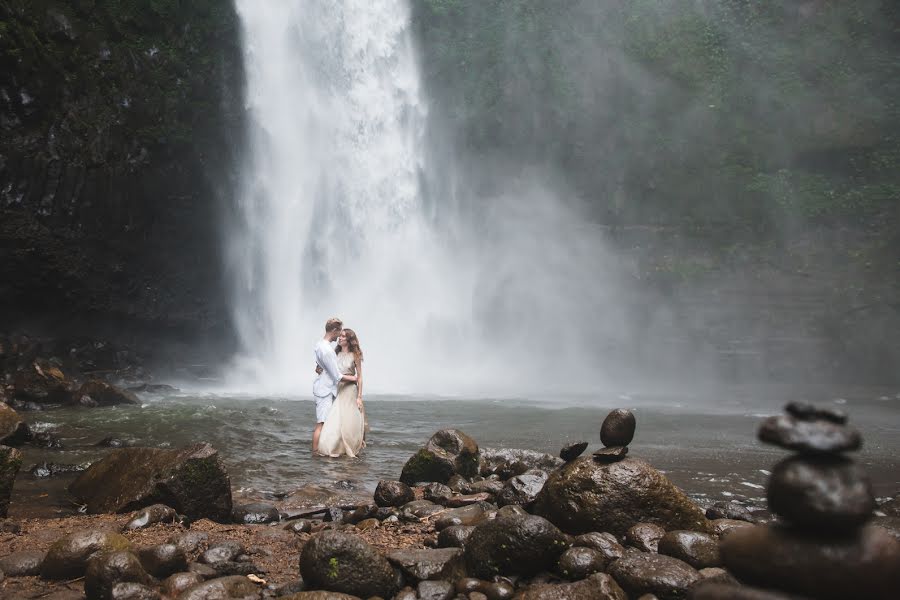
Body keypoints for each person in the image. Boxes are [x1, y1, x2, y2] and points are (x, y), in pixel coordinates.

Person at [316, 328, 366, 457]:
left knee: (349, 420)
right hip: (338, 389)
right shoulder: (334, 354)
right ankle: (331, 447)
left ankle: (349, 447)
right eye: (340, 335)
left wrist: (359, 397)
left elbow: (359, 377)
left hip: (350, 390)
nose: (340, 337)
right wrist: (319, 369)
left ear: (349, 340)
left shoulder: (355, 355)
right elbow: (326, 369)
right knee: (335, 420)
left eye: (343, 336)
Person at [312, 318, 357, 453]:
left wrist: (319, 368)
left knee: (326, 423)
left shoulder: (319, 345)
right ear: (334, 330)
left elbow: (321, 365)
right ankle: (315, 453)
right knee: (322, 424)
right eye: (339, 333)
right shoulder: (328, 350)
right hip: (325, 391)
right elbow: (337, 376)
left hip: (323, 388)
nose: (339, 337)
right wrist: (355, 378)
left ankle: (323, 450)